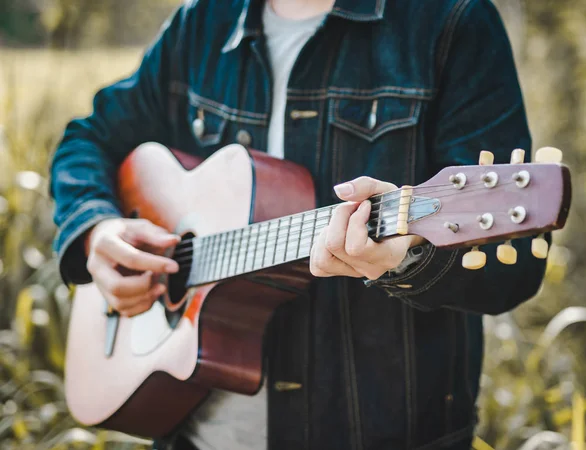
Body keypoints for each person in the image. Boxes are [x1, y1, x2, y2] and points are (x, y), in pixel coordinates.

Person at [49, 0, 548, 449]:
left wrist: (405, 260)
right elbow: (87, 140)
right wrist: (98, 231)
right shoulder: (201, 22)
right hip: (195, 435)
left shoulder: (451, 20)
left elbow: (514, 266)